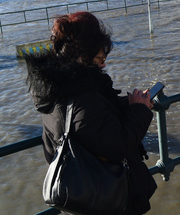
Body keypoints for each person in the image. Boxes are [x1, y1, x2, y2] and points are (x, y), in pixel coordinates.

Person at [25, 11, 157, 214]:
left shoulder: (55, 90)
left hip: (78, 197)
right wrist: (139, 110)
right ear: (82, 56)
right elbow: (118, 144)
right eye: (99, 58)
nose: (103, 65)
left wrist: (128, 104)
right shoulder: (83, 98)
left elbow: (90, 127)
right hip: (106, 200)